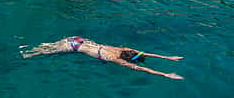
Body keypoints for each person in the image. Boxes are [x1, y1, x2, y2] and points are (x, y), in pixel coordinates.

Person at [21, 36, 184, 80]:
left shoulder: (122, 49)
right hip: (75, 47)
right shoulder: (116, 59)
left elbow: (143, 54)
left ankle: (39, 47)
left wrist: (168, 58)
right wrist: (165, 74)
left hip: (79, 39)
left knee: (50, 47)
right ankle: (29, 53)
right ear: (129, 59)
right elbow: (142, 68)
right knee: (40, 53)